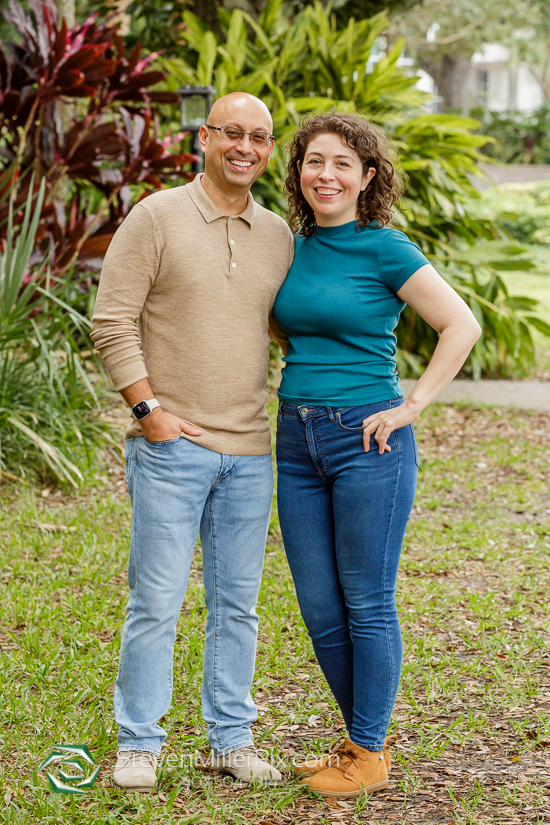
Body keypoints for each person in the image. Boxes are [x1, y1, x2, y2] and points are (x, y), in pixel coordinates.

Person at [271, 112, 481, 799]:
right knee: (317, 604)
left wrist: (410, 404)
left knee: (366, 599)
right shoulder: (290, 246)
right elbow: (283, 324)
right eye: (313, 161)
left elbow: (460, 323)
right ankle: (358, 739)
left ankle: (368, 750)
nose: (325, 173)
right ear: (299, 172)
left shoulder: (385, 247)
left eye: (341, 163)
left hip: (370, 439)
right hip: (295, 438)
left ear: (366, 177)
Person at [91, 92, 293, 791]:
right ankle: (139, 743)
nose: (245, 146)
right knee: (158, 598)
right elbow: (111, 320)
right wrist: (150, 412)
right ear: (204, 138)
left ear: (269, 150)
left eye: (259, 137)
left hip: (250, 450)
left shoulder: (278, 235)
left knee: (238, 603)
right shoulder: (156, 217)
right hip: (172, 445)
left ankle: (230, 740)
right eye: (231, 132)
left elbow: (285, 327)